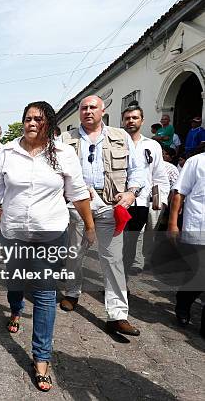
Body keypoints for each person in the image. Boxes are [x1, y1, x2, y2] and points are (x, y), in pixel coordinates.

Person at [0, 101, 95, 392]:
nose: (32, 123)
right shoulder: (7, 153)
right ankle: (16, 308)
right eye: (28, 118)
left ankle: (41, 359)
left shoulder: (64, 153)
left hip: (51, 235)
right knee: (15, 281)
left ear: (49, 123)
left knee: (45, 294)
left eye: (38, 119)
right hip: (13, 233)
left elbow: (78, 193)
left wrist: (90, 226)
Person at [60, 95, 145, 336]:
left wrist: (131, 192)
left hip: (110, 205)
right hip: (78, 205)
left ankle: (117, 315)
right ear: (79, 112)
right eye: (83, 108)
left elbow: (137, 171)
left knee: (113, 260)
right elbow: (56, 170)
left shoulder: (120, 136)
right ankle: (72, 292)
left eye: (92, 107)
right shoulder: (66, 139)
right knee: (75, 253)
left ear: (102, 110)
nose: (88, 111)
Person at [121, 103, 169, 276]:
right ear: (123, 121)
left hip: (141, 202)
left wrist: (161, 200)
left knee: (131, 244)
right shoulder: (116, 143)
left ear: (142, 120)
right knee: (116, 243)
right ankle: (113, 279)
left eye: (135, 118)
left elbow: (160, 175)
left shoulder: (152, 145)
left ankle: (122, 280)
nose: (131, 121)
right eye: (127, 118)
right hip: (118, 201)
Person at [168, 151, 204, 339]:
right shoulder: (196, 161)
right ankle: (183, 305)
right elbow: (179, 193)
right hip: (199, 226)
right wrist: (173, 223)